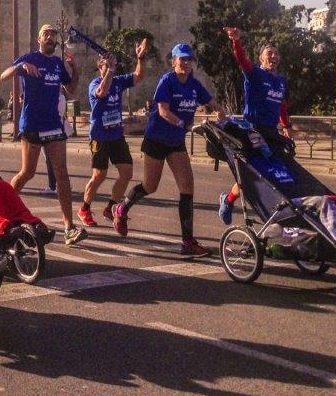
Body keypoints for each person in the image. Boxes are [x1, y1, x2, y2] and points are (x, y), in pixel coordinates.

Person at [113, 43, 224, 256]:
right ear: (173, 62)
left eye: (189, 59)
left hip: (176, 142)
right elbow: (163, 111)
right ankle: (122, 208)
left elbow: (211, 102)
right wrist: (186, 125)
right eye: (182, 59)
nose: (186, 62)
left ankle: (188, 242)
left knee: (187, 188)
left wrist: (220, 112)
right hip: (156, 139)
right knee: (150, 186)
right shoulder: (167, 81)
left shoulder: (194, 84)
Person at [2, 24, 86, 247]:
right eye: (46, 34)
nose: (50, 37)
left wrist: (75, 70)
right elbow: (4, 75)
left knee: (62, 174)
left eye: (53, 34)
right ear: (39, 38)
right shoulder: (30, 58)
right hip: (31, 124)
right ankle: (2, 211)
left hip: (53, 125)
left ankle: (68, 227)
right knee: (27, 172)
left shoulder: (57, 63)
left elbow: (71, 90)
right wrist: (20, 66)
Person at [217, 27, 296, 225]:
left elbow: (282, 105)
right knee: (252, 173)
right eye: (269, 53)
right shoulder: (255, 75)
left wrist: (286, 125)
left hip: (271, 132)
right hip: (252, 129)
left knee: (279, 172)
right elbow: (242, 61)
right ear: (261, 59)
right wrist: (236, 40)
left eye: (276, 54)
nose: (274, 56)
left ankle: (283, 212)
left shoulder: (280, 81)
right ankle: (227, 200)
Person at [79, 40, 148, 229]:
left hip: (116, 135)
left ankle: (110, 207)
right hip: (99, 136)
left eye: (110, 64)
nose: (108, 67)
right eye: (104, 64)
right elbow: (101, 92)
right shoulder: (94, 84)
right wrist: (109, 70)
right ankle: (84, 208)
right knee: (99, 175)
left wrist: (140, 58)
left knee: (126, 173)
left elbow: (138, 76)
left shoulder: (118, 82)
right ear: (99, 66)